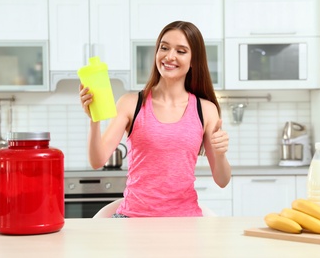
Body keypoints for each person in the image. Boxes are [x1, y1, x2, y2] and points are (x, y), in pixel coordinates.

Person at [79, 21, 231, 217]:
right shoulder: (130, 103)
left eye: (181, 51)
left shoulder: (206, 110)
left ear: (194, 60)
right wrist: (94, 120)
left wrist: (220, 154)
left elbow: (222, 180)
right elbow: (97, 160)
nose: (169, 56)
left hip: (185, 222)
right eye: (164, 48)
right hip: (133, 219)